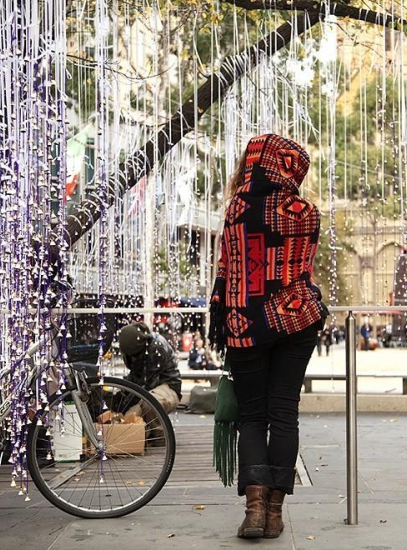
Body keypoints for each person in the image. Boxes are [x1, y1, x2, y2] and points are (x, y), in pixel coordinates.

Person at [208, 134, 327, 539]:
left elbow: (228, 268)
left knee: (253, 417)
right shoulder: (307, 214)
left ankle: (253, 511)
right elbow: (302, 269)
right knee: (284, 413)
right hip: (296, 323)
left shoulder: (236, 210)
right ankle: (275, 513)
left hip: (245, 324)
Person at [118, 321, 182, 439]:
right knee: (127, 421)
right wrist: (122, 396)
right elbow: (134, 376)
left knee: (149, 403)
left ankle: (160, 435)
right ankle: (144, 436)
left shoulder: (156, 348)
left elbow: (146, 385)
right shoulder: (132, 346)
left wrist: (126, 403)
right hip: (147, 388)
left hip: (168, 386)